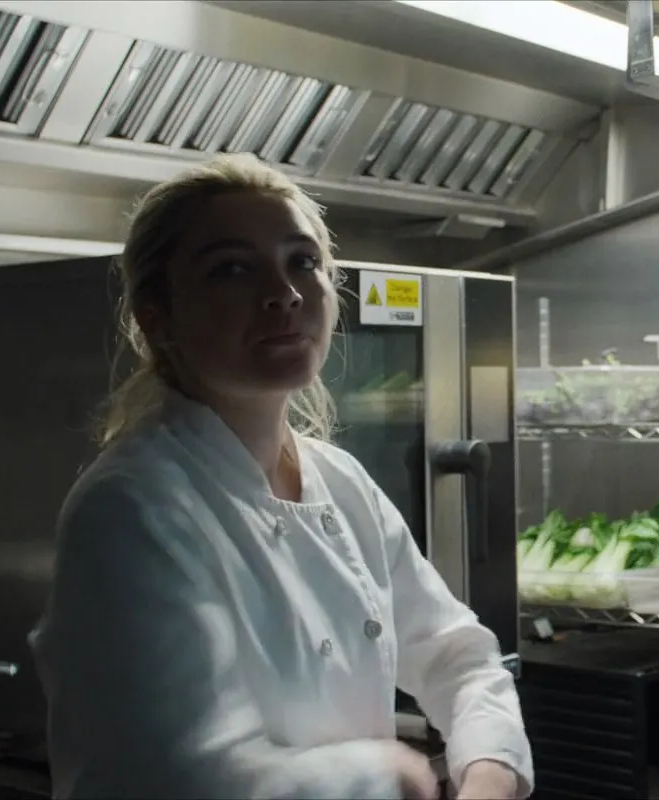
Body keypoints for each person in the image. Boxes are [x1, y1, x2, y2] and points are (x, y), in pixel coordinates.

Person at [28, 154, 532, 800]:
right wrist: (386, 773)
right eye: (232, 269)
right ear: (159, 318)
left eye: (302, 262)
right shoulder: (132, 508)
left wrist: (489, 769)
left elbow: (456, 652)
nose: (285, 293)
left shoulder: (340, 480)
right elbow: (174, 778)